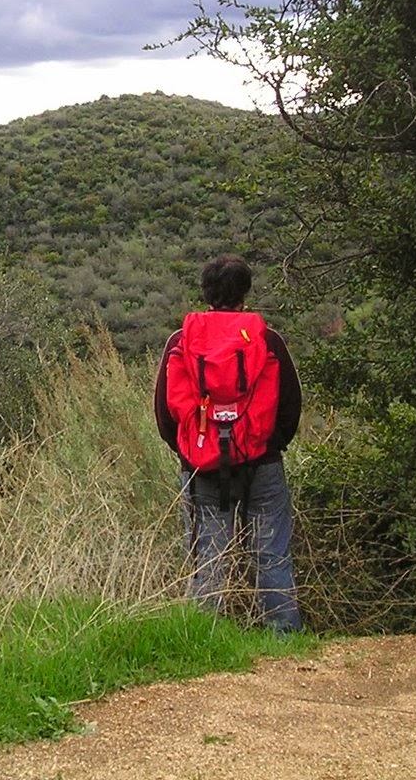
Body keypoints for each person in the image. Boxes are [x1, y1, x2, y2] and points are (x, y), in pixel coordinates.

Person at [154, 254, 303, 632]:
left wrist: (193, 451)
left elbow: (165, 415)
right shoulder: (267, 340)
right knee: (271, 557)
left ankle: (204, 644)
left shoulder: (181, 341)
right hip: (263, 462)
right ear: (245, 293)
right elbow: (290, 408)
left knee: (208, 560)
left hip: (202, 467)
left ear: (205, 292)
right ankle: (284, 645)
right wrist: (264, 445)